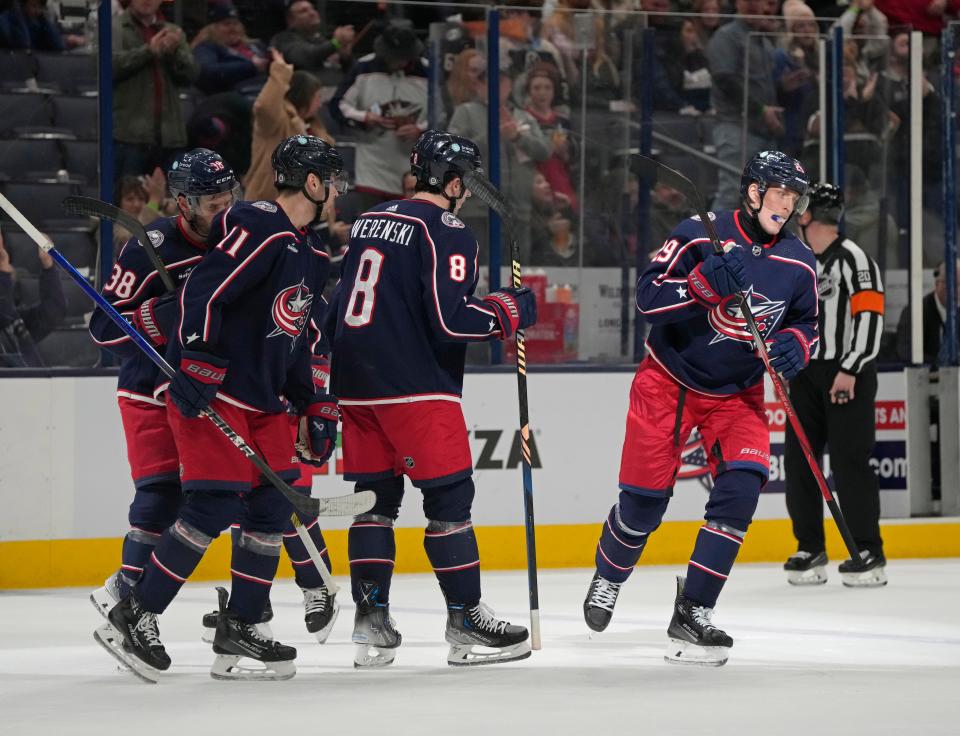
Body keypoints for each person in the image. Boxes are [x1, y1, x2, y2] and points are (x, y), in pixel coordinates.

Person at [93, 135, 346, 682]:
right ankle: (137, 612)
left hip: (264, 397)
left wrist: (314, 399)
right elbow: (203, 292)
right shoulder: (259, 224)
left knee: (273, 510)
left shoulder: (311, 252)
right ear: (311, 183)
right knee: (206, 506)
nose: (338, 192)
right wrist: (199, 360)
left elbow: (295, 334)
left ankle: (244, 623)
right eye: (332, 181)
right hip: (216, 391)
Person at [582, 151, 819, 666]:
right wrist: (701, 286)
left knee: (743, 484)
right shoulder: (698, 231)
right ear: (753, 191)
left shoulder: (800, 262)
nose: (788, 204)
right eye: (779, 193)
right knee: (643, 504)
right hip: (668, 383)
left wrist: (798, 345)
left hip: (737, 395)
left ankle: (694, 610)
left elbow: (808, 323)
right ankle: (609, 575)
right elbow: (646, 298)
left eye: (794, 197)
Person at [327, 130, 537, 668]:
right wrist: (508, 312)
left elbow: (338, 305)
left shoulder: (370, 220)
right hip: (414, 386)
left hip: (356, 386)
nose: (465, 194)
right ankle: (465, 620)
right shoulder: (446, 228)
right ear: (452, 181)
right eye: (463, 183)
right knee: (449, 503)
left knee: (375, 503)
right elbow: (449, 321)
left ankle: (370, 622)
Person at [87, 149, 241, 620]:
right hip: (146, 387)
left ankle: (130, 592)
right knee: (159, 494)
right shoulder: (147, 247)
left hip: (204, 387)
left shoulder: (240, 239)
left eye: (229, 198)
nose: (225, 211)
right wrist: (160, 317)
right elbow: (102, 328)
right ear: (184, 204)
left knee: (225, 494)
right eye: (214, 204)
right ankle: (129, 599)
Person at [783, 183, 887, 588]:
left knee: (849, 463)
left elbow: (869, 319)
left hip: (847, 373)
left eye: (803, 208)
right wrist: (788, 367)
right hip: (806, 374)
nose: (798, 215)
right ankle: (810, 547)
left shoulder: (855, 259)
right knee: (800, 461)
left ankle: (867, 550)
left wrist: (851, 368)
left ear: (814, 215)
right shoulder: (801, 260)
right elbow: (788, 318)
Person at [329, 20, 428, 210]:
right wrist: (364, 117)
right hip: (373, 166)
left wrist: (420, 129)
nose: (398, 62)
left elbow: (444, 113)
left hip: (414, 166)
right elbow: (338, 105)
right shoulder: (363, 67)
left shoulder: (428, 71)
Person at [707, 0, 783, 209]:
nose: (752, 4)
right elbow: (725, 80)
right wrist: (760, 109)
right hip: (736, 127)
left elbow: (763, 86)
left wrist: (785, 86)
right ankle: (713, 242)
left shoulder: (764, 42)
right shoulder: (727, 36)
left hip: (763, 130)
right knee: (732, 193)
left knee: (764, 199)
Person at [112, 0, 199, 180]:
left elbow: (191, 75)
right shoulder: (115, 28)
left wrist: (174, 52)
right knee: (126, 200)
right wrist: (149, 51)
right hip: (130, 136)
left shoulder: (174, 32)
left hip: (170, 136)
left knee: (176, 202)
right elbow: (109, 68)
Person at [244, 48, 334, 202]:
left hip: (303, 211)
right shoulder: (276, 121)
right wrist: (280, 72)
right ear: (304, 96)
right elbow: (263, 106)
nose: (320, 103)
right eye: (317, 97)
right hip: (267, 205)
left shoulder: (315, 128)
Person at [0, 229, 66, 367]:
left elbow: (53, 312)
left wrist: (48, 264)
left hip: (34, 385)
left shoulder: (14, 320)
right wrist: (4, 272)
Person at [191, 1, 269, 97]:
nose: (233, 29)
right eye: (226, 24)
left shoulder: (256, 45)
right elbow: (207, 72)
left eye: (235, 23)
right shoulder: (207, 48)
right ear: (212, 28)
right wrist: (250, 66)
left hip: (266, 93)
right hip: (234, 98)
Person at [270, 0, 354, 82]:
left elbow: (349, 72)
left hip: (339, 89)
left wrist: (345, 57)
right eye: (303, 11)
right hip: (309, 92)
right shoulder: (284, 39)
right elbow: (306, 56)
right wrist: (336, 43)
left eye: (313, 8)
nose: (312, 13)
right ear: (291, 20)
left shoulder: (320, 40)